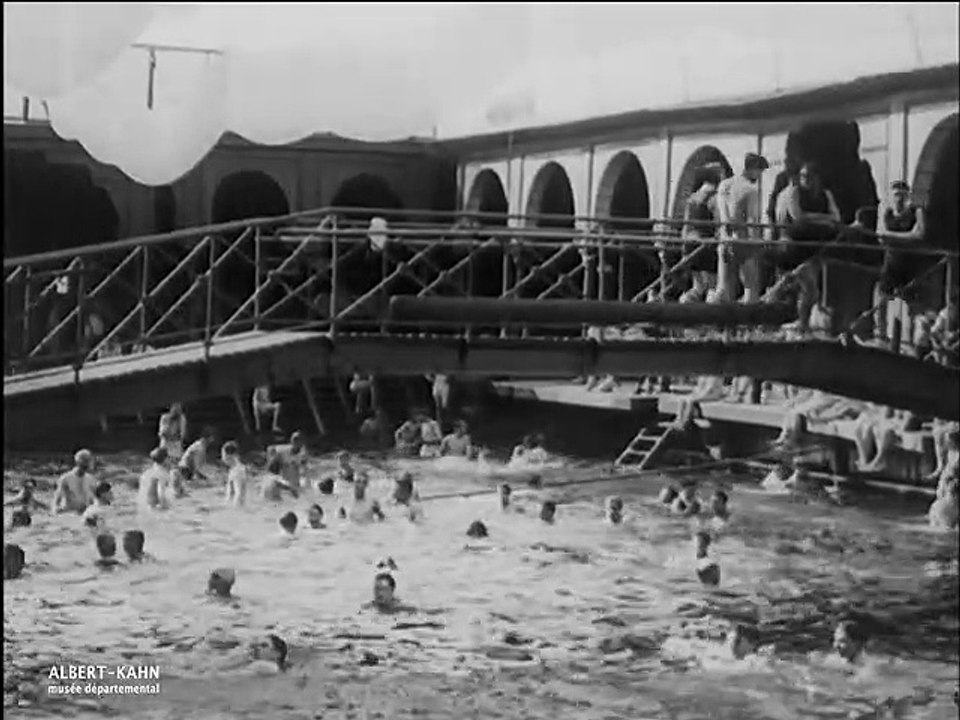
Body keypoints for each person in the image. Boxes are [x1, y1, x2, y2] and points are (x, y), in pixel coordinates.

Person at [776, 162, 842, 334]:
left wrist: (814, 219)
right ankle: (799, 321)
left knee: (810, 288)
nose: (805, 180)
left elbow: (836, 217)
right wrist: (823, 219)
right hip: (797, 245)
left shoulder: (826, 195)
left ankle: (802, 322)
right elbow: (798, 216)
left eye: (809, 176)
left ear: (817, 178)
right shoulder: (794, 192)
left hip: (816, 245)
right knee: (808, 287)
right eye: (803, 176)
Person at [875, 181, 927, 336]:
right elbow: (880, 235)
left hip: (910, 263)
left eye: (902, 195)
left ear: (908, 196)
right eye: (896, 195)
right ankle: (881, 334)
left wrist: (893, 237)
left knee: (913, 305)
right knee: (881, 299)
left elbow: (918, 234)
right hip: (892, 261)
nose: (899, 199)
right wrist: (903, 237)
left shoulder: (915, 212)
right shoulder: (887, 213)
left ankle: (912, 339)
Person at [716, 152, 769, 302]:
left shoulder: (724, 185)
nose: (759, 176)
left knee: (724, 286)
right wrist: (759, 242)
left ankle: (719, 321)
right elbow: (753, 219)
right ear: (752, 169)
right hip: (743, 242)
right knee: (751, 285)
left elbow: (723, 215)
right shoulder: (750, 190)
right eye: (759, 171)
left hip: (725, 240)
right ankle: (748, 322)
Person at [679, 167, 721, 294]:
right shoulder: (715, 198)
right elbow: (719, 223)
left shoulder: (692, 198)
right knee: (712, 287)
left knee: (698, 287)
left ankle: (687, 304)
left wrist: (684, 250)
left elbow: (685, 226)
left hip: (691, 244)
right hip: (707, 245)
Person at [53, 449, 97, 514]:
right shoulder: (66, 478)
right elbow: (57, 498)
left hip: (86, 512)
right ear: (78, 462)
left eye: (88, 461)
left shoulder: (91, 479)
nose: (87, 464)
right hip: (69, 512)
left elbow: (94, 499)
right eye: (85, 461)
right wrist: (56, 510)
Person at [221, 441, 248, 507]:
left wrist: (234, 511)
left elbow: (238, 494)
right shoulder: (234, 469)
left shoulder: (237, 471)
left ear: (228, 456)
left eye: (223, 455)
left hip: (235, 509)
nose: (222, 458)